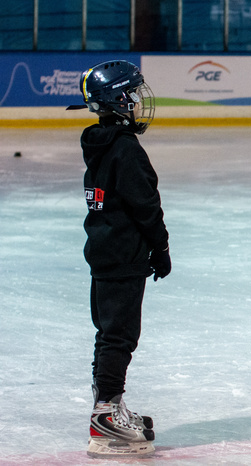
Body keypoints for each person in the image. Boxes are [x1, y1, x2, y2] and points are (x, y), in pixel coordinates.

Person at [69, 60, 171, 456]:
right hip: (124, 255)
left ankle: (109, 404)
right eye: (131, 96)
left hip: (103, 251)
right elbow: (146, 205)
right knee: (120, 335)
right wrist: (160, 247)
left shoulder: (100, 142)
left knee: (109, 332)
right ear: (117, 100)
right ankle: (106, 414)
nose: (136, 103)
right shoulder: (126, 149)